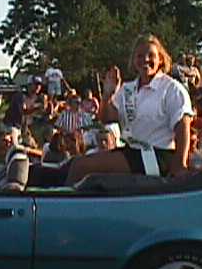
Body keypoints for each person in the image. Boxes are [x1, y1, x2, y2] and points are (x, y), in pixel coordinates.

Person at [67, 34, 193, 185]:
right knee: (73, 163)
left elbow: (183, 126)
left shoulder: (171, 89)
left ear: (160, 59)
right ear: (134, 61)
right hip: (132, 151)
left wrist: (180, 164)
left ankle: (61, 199)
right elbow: (106, 118)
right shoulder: (128, 89)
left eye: (151, 55)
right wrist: (107, 96)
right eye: (140, 56)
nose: (145, 59)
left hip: (157, 155)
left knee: (81, 167)